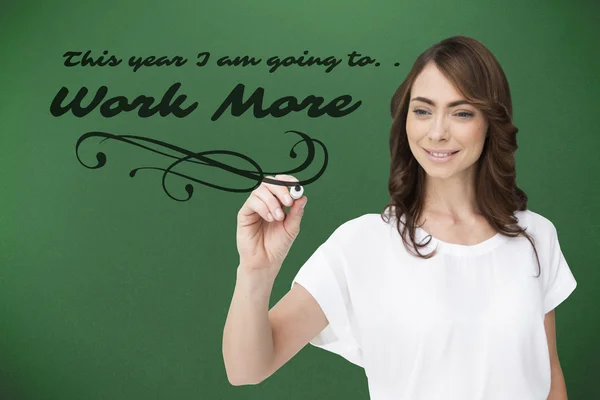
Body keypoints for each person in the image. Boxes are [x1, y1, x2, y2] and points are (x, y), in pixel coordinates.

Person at [222, 35, 577, 399]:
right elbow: (247, 369)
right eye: (422, 110)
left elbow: (548, 377)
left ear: (490, 121)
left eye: (462, 112)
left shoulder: (535, 236)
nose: (437, 132)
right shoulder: (362, 244)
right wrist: (256, 270)